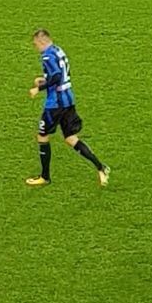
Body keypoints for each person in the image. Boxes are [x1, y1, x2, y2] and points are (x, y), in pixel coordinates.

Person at [25, 30, 109, 187]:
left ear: (42, 42)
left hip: (55, 104)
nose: (36, 48)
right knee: (71, 138)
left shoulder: (47, 56)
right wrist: (43, 80)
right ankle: (100, 167)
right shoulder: (58, 50)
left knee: (42, 136)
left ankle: (45, 177)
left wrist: (39, 88)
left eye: (36, 45)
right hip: (68, 100)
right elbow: (61, 74)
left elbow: (56, 76)